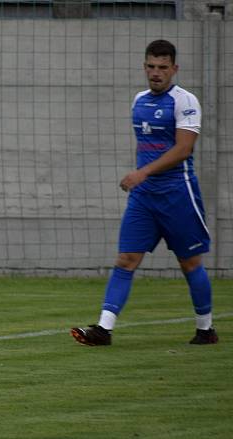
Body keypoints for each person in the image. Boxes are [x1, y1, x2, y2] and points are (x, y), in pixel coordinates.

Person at [71, 40, 218, 346]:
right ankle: (103, 329)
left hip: (179, 193)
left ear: (174, 69)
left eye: (163, 67)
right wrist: (143, 176)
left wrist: (142, 172)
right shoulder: (139, 100)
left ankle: (206, 329)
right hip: (144, 198)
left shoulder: (185, 100)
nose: (156, 73)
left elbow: (183, 149)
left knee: (189, 263)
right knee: (126, 259)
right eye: (151, 66)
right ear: (144, 67)